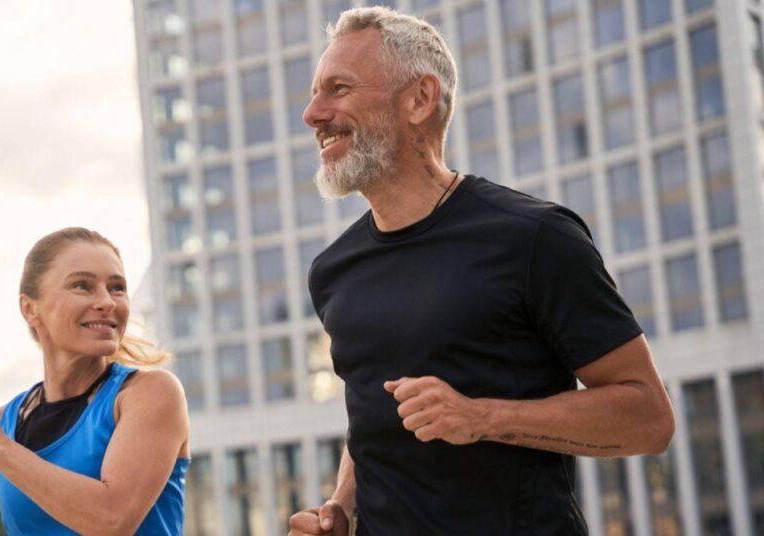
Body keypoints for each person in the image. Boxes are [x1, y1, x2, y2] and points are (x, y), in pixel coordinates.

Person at [289, 7, 675, 535]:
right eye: (316, 92)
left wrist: (482, 417)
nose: (313, 112)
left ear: (419, 99)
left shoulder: (535, 237)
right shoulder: (333, 270)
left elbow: (649, 418)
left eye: (339, 88)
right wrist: (341, 506)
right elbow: (373, 422)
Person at [0, 227, 189, 535]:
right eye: (82, 286)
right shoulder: (2, 423)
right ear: (30, 309)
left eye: (117, 287)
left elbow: (112, 520)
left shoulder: (150, 393)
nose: (107, 301)